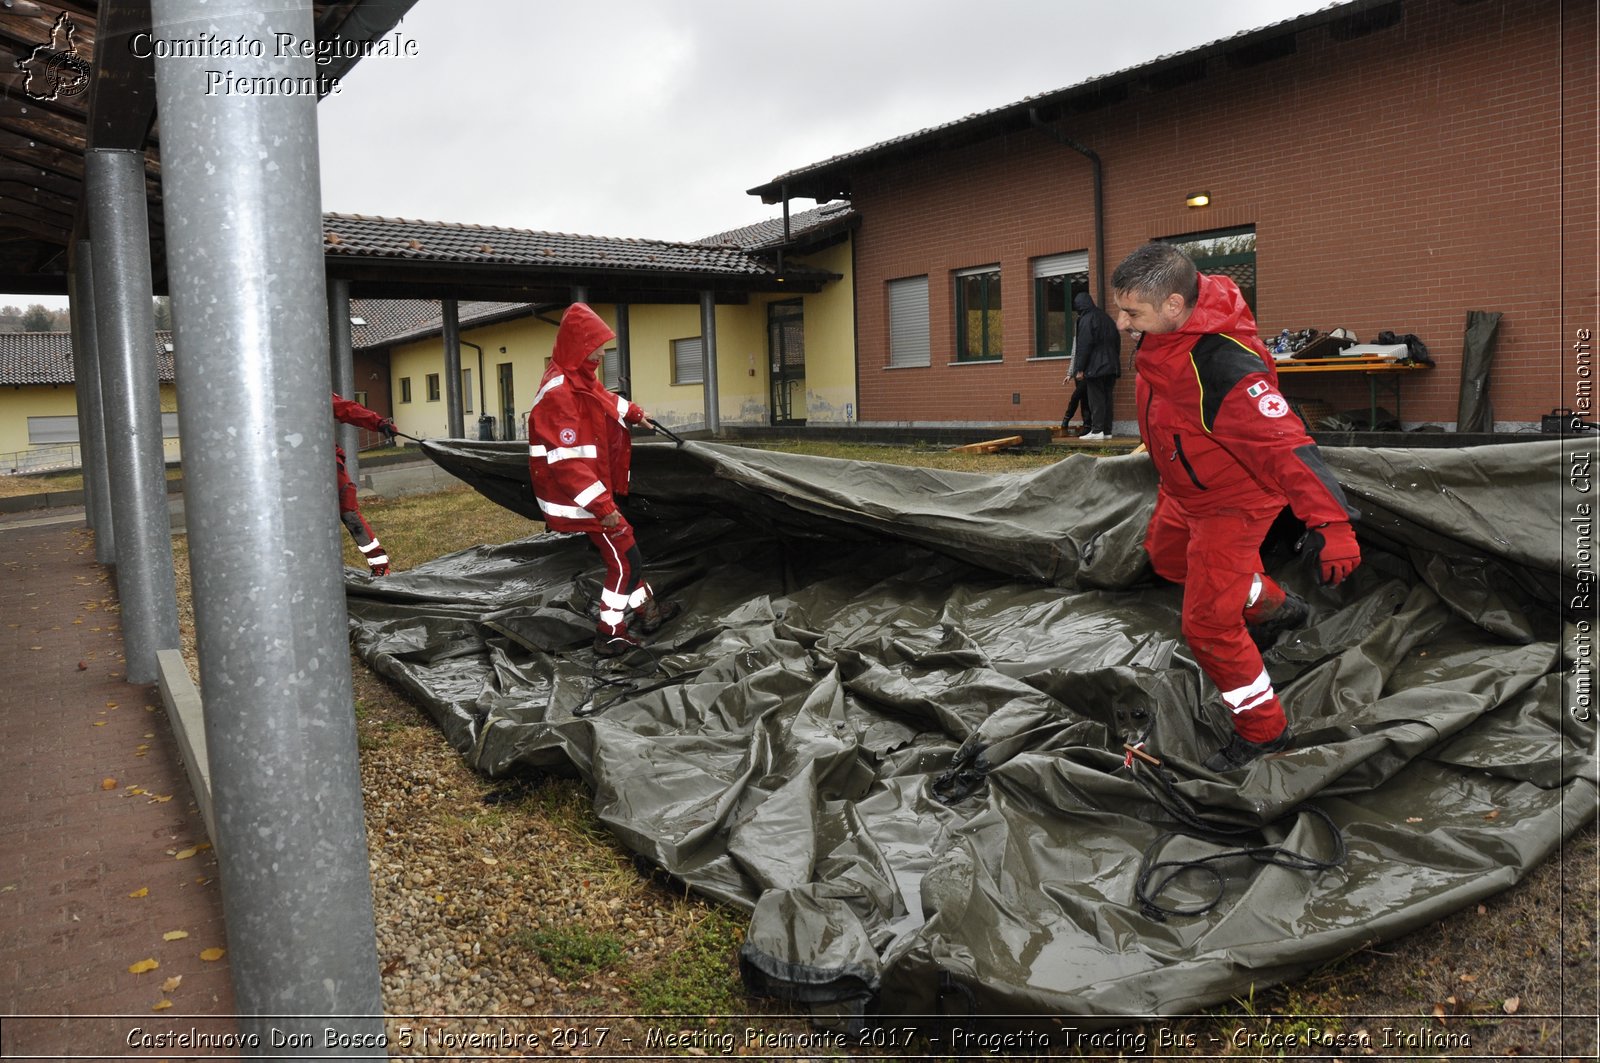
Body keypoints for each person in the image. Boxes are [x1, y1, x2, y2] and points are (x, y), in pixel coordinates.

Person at [1110, 242, 1361, 770]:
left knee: (1206, 626)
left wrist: (1333, 523)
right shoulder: (1165, 337)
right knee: (1167, 559)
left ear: (1175, 306)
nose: (1120, 321)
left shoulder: (1224, 368)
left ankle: (1263, 731)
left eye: (1131, 312)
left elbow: (1287, 446)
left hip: (1233, 504)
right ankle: (1273, 603)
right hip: (1185, 490)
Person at [528, 303, 679, 657]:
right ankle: (610, 631)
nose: (602, 351)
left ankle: (647, 611)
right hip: (580, 498)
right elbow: (568, 464)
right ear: (579, 345)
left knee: (626, 557)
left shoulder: (577, 376)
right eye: (597, 345)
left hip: (590, 492)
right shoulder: (559, 394)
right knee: (627, 559)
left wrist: (636, 414)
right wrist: (603, 507)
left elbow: (602, 397)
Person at [331, 394, 397, 576]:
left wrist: (379, 423)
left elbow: (347, 409)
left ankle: (379, 565)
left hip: (326, 461)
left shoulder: (311, 389)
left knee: (348, 510)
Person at [1073, 291, 1121, 441]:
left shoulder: (1086, 319)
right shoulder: (1106, 318)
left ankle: (1097, 430)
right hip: (1112, 365)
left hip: (1095, 366)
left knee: (1096, 399)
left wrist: (1080, 368)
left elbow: (1084, 345)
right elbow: (1117, 341)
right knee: (1107, 398)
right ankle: (1107, 431)